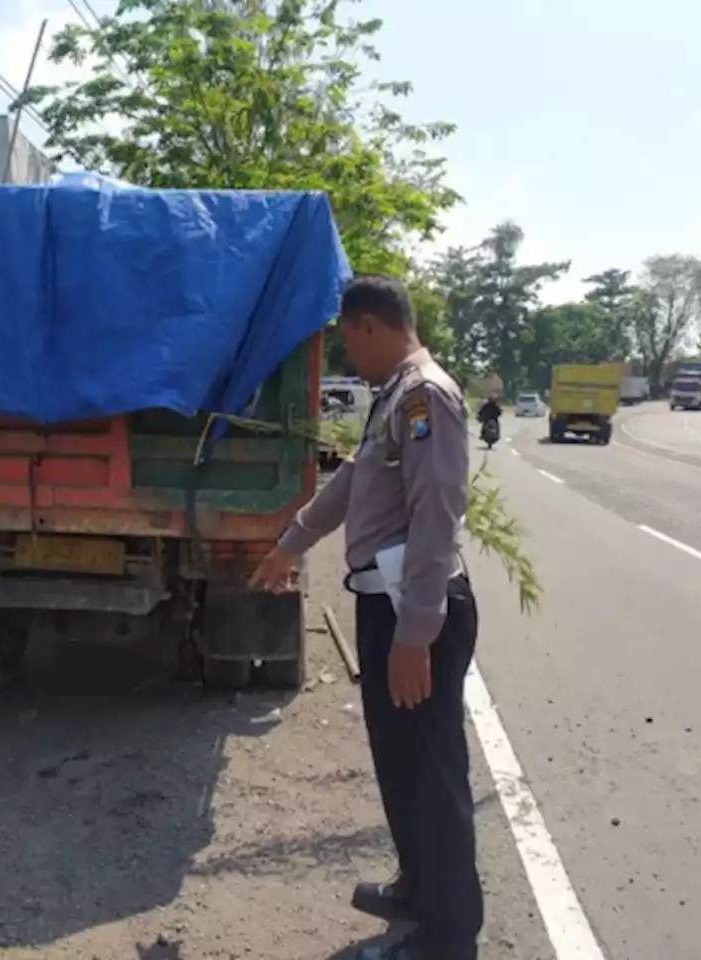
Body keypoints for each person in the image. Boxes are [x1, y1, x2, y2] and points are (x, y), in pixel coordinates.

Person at [249, 275, 482, 960]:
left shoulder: (425, 398)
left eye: (349, 342)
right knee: (399, 763)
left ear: (370, 327)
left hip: (416, 613)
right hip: (385, 601)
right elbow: (353, 479)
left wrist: (416, 633)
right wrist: (291, 542)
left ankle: (448, 938)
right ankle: (418, 890)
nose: (349, 357)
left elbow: (437, 516)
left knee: (431, 775)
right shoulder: (394, 396)